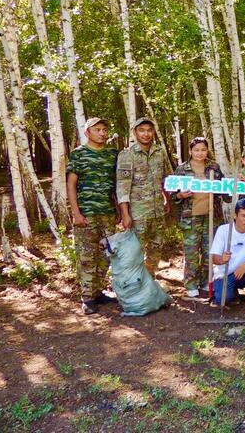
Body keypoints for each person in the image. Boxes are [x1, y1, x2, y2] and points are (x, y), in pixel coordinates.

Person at [66, 117, 119, 315]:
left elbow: (117, 184)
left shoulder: (112, 154)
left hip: (108, 213)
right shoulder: (78, 154)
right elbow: (71, 184)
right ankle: (87, 297)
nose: (102, 133)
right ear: (87, 132)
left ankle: (97, 291)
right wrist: (76, 213)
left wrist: (119, 210)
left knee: (106, 254)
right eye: (97, 129)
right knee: (86, 256)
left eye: (105, 129)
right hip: (86, 213)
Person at [170, 137, 227, 298]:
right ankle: (191, 283)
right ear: (190, 151)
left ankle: (205, 281)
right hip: (191, 217)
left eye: (203, 150)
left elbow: (225, 189)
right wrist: (180, 195)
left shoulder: (214, 167)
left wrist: (228, 188)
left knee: (210, 251)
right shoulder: (182, 169)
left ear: (207, 150)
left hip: (211, 216)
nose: (200, 153)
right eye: (196, 150)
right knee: (192, 252)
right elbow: (172, 194)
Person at [116, 117, 170, 275]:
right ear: (135, 132)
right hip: (137, 212)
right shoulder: (127, 155)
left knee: (156, 247)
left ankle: (149, 278)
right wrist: (125, 214)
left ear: (153, 132)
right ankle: (134, 282)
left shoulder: (159, 152)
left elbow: (165, 178)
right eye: (142, 130)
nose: (146, 134)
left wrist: (167, 199)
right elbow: (122, 186)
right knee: (135, 250)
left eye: (149, 130)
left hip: (157, 210)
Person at [210, 199, 245, 316]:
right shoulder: (223, 230)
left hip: (244, 271)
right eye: (243, 216)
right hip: (226, 274)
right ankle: (233, 293)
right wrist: (222, 259)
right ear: (235, 216)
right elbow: (214, 258)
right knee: (223, 299)